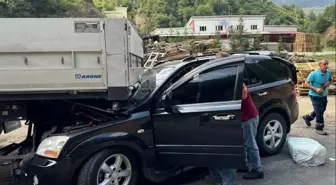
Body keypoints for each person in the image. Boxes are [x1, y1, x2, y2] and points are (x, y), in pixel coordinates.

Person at [302, 59, 332, 135]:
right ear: (320, 65)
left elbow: (330, 80)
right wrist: (316, 89)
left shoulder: (328, 72)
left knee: (322, 109)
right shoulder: (314, 74)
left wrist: (328, 83)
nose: (326, 66)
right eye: (324, 64)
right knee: (319, 111)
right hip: (314, 95)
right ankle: (319, 128)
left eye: (327, 64)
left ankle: (308, 117)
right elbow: (306, 83)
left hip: (323, 95)